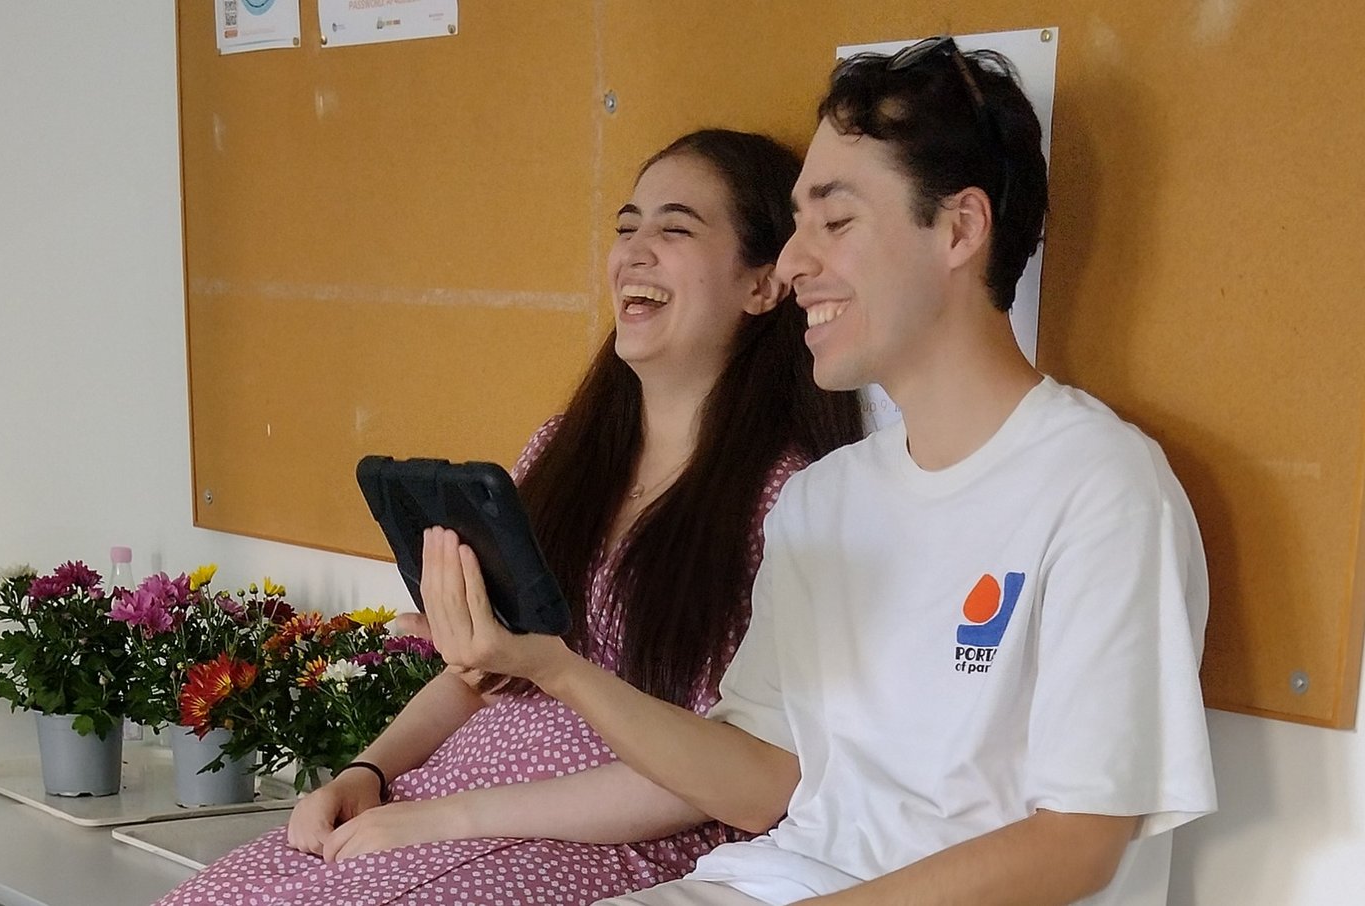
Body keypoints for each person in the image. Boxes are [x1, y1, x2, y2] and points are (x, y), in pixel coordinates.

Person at [421, 37, 1217, 906]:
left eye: (835, 222)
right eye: (799, 224)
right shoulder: (823, 498)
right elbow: (769, 780)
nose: (796, 263)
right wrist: (555, 667)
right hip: (763, 879)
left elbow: (1077, 846)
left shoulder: (1100, 487)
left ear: (959, 229)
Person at [154, 128, 864, 906]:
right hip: (447, 798)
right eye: (626, 227)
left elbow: (721, 778)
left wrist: (446, 819)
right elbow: (477, 671)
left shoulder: (787, 498)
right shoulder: (563, 449)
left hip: (600, 835)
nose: (633, 251)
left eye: (674, 228)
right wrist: (370, 771)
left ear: (762, 285)